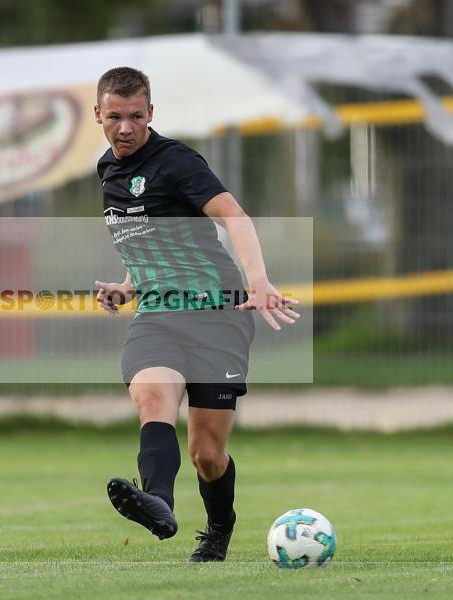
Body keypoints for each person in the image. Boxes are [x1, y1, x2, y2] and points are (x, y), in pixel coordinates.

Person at [94, 67, 299, 562]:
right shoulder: (107, 168)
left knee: (207, 455)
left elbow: (235, 217)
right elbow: (146, 237)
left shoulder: (177, 161)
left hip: (217, 314)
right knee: (153, 395)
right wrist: (128, 284)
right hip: (159, 313)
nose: (126, 128)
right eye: (115, 117)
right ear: (98, 114)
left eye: (136, 117)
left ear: (151, 114)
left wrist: (258, 280)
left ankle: (219, 527)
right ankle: (159, 503)